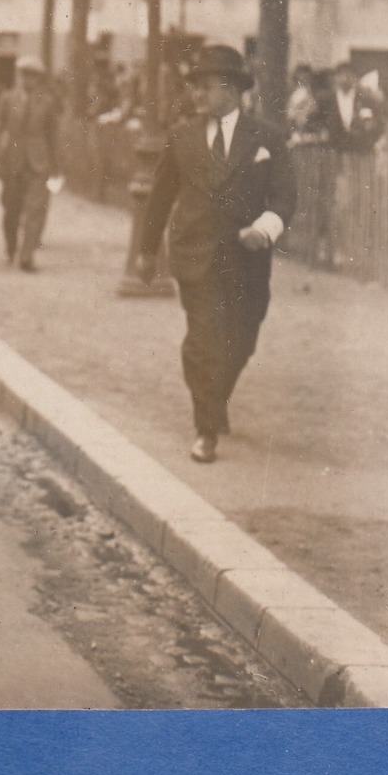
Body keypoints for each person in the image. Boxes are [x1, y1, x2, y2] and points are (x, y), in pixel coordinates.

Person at [137, 45, 297, 464]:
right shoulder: (182, 137)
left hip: (247, 259)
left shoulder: (267, 138)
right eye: (194, 88)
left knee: (242, 338)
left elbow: (284, 198)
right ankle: (206, 429)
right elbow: (159, 198)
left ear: (231, 89)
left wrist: (265, 230)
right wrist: (146, 251)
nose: (196, 96)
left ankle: (216, 398)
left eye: (205, 87)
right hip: (195, 253)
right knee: (204, 340)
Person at [0, 57, 61, 272]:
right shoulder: (7, 99)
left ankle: (26, 256)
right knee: (10, 209)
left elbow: (53, 135)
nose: (27, 80)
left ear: (38, 79)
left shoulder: (47, 102)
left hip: (38, 161)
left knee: (35, 209)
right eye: (24, 75)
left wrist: (55, 165)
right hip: (12, 160)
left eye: (31, 76)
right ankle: (11, 247)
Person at [321, 59, 384, 155]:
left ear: (354, 77)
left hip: (360, 153)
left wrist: (369, 140)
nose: (345, 79)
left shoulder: (365, 99)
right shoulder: (327, 100)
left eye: (348, 75)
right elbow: (319, 122)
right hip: (334, 153)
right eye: (341, 75)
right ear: (335, 78)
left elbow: (378, 123)